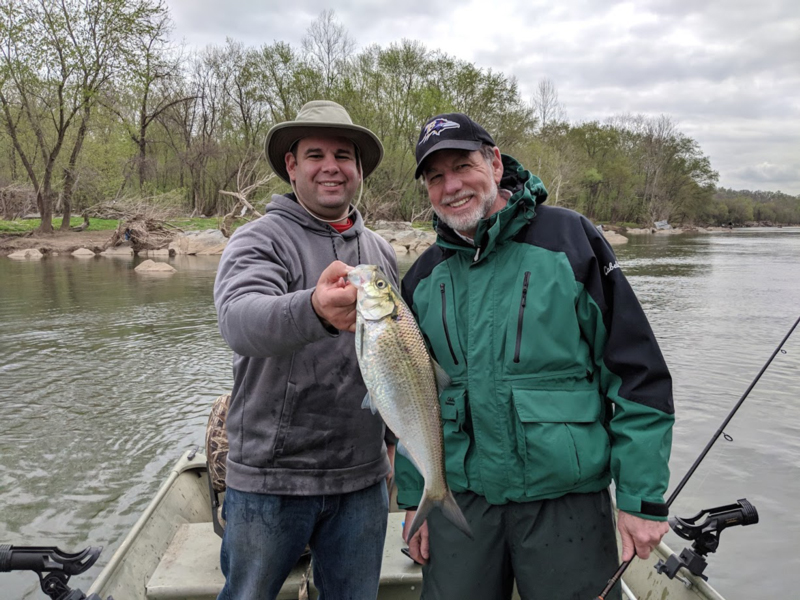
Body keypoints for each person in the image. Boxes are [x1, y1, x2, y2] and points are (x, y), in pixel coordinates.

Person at [395, 113, 675, 600]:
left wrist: (641, 498)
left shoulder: (571, 241)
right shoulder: (421, 277)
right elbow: (409, 399)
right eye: (435, 177)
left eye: (463, 166)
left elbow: (637, 376)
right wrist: (411, 500)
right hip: (460, 505)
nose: (452, 185)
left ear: (496, 164)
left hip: (566, 503)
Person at [213, 100, 398, 600]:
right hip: (270, 482)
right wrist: (314, 309)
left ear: (359, 170)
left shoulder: (381, 253)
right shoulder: (260, 239)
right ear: (291, 166)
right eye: (315, 154)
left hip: (362, 480)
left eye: (344, 155)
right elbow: (239, 320)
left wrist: (391, 446)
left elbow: (398, 359)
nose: (331, 166)